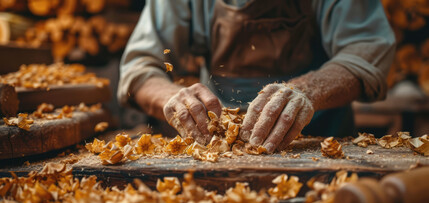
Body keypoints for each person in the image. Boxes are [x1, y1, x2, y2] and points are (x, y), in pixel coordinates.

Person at [119, 0, 396, 153]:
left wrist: (308, 90)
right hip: (217, 149)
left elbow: (368, 50)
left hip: (320, 142)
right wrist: (172, 98)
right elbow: (139, 68)